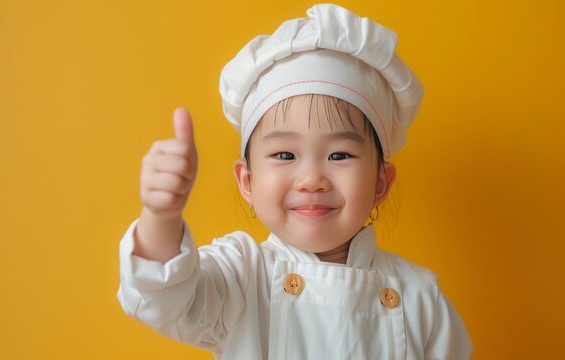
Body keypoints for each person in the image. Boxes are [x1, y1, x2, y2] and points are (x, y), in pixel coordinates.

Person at [117, 4, 472, 359]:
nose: (312, 180)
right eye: (285, 155)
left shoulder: (421, 296)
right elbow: (165, 298)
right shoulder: (241, 275)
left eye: (340, 155)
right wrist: (161, 217)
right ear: (248, 181)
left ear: (381, 182)